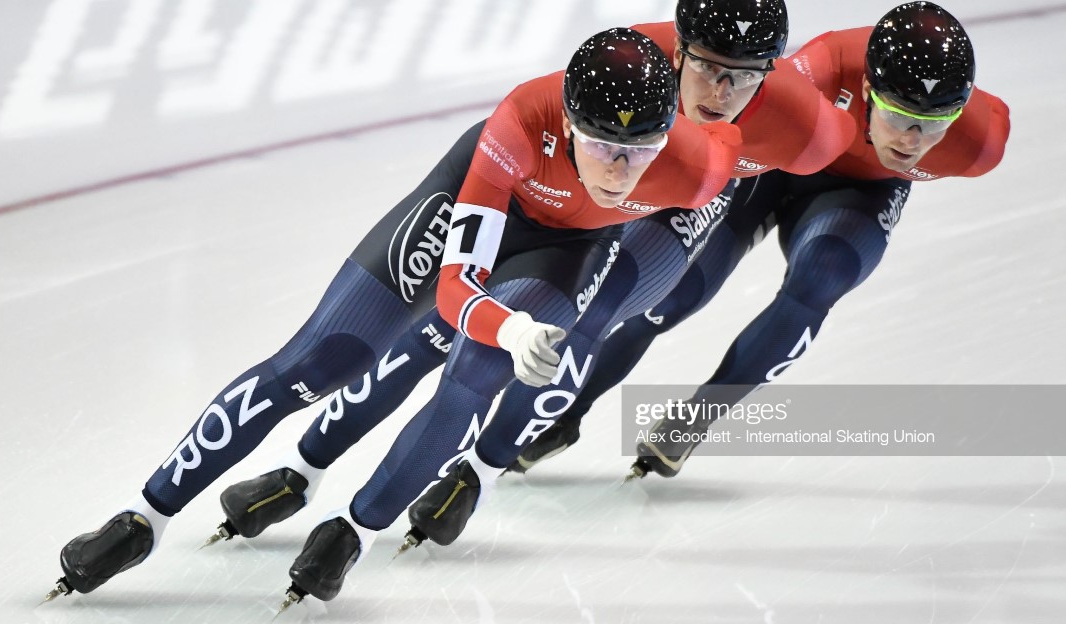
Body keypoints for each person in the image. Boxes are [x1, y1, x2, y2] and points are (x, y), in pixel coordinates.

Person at [46, 27, 741, 602]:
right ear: (567, 119)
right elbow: (455, 288)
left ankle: (354, 529)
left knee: (477, 374)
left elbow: (788, 126)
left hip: (572, 246)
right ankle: (144, 516)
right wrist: (512, 324)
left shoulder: (700, 165)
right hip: (486, 197)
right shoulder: (520, 124)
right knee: (320, 360)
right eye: (601, 145)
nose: (619, 171)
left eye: (639, 151)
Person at [206, 0, 854, 552]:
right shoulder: (627, 67)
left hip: (668, 204)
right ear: (678, 49)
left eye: (743, 78)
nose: (719, 92)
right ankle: (305, 465)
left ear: (769, 75)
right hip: (580, 194)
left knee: (589, 318)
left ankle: (482, 468)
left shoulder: (802, 127)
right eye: (707, 67)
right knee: (428, 328)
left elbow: (869, 141)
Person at [504, 1, 1011, 482]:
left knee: (825, 272)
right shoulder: (821, 71)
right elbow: (717, 125)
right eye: (898, 116)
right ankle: (563, 411)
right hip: (764, 167)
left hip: (863, 192)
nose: (911, 142)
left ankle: (700, 416)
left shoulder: (979, 144)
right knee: (668, 295)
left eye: (934, 125)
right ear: (864, 87)